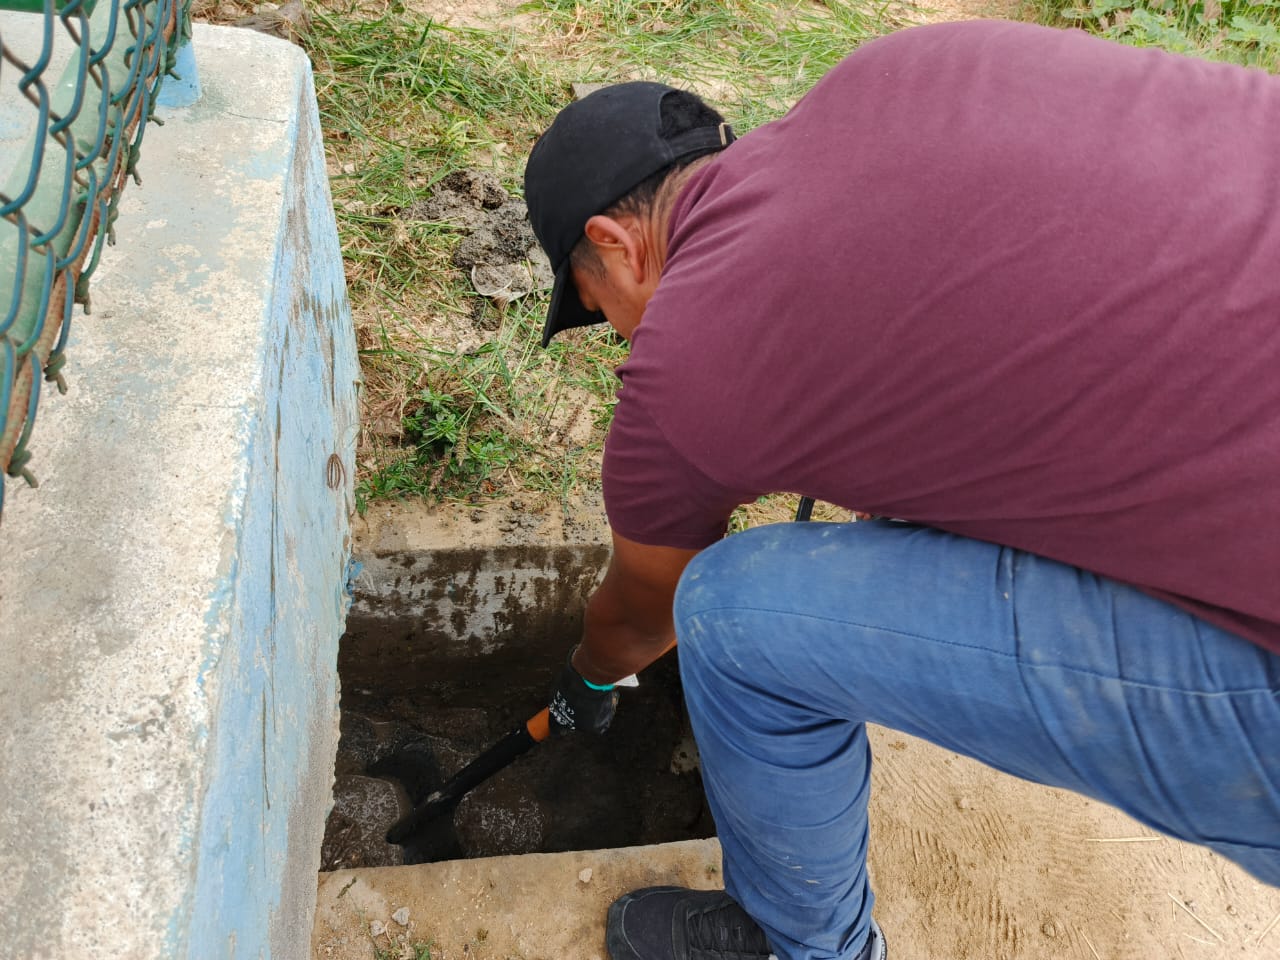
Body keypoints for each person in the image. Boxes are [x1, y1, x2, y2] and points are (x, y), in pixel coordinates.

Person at [524, 18, 1280, 960]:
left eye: (601, 309)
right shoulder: (911, 65)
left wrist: (589, 679)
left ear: (613, 242)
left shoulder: (687, 366)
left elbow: (645, 611)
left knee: (727, 613)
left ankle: (805, 946)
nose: (622, 336)